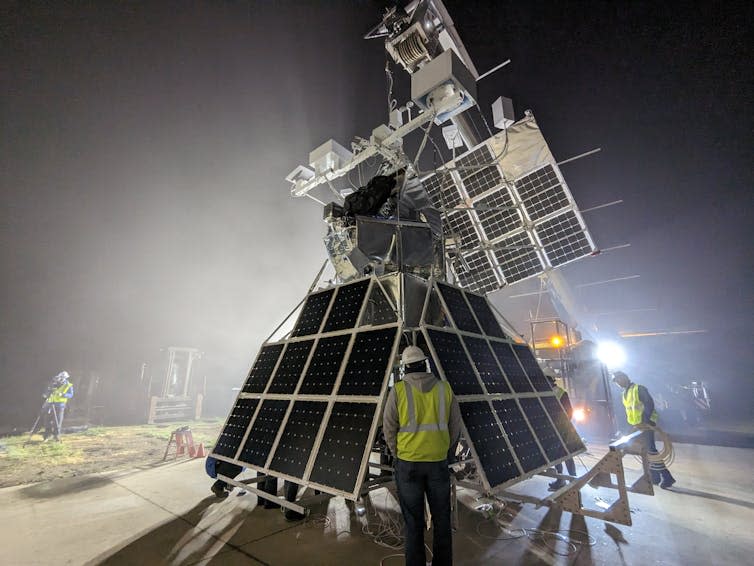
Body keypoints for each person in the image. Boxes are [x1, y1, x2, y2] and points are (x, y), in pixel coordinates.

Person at [382, 345, 462, 566]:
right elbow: (456, 426)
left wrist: (398, 454)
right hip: (437, 463)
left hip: (408, 465)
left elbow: (388, 428)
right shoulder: (444, 389)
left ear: (405, 367)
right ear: (425, 364)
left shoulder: (397, 391)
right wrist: (447, 451)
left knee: (413, 521)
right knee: (442, 519)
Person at [612, 371, 676, 489]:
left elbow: (649, 405)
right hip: (636, 426)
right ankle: (655, 477)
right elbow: (629, 412)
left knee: (651, 451)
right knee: (647, 450)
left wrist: (646, 422)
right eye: (616, 382)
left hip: (646, 425)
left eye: (618, 380)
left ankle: (667, 477)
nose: (618, 383)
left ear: (625, 378)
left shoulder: (638, 389)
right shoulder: (624, 393)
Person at [545, 371, 576, 490]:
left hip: (562, 430)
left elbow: (569, 412)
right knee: (556, 455)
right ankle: (560, 479)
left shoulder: (561, 393)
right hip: (550, 430)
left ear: (550, 381)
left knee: (566, 454)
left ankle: (573, 479)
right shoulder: (545, 394)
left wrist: (561, 426)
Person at [42, 371, 74, 441]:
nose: (60, 379)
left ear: (65, 378)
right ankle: (47, 435)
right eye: (59, 377)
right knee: (47, 420)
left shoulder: (68, 385)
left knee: (57, 421)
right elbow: (48, 391)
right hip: (50, 404)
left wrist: (63, 394)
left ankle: (56, 436)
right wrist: (46, 394)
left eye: (62, 378)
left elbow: (71, 395)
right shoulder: (54, 383)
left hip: (60, 405)